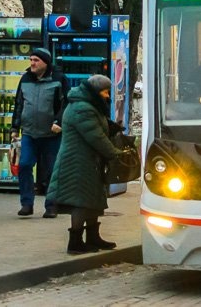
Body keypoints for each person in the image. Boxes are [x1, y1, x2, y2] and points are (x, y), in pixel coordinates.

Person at [47, 74, 132, 254]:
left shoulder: (87, 105)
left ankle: (93, 237)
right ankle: (75, 242)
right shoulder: (81, 108)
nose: (107, 95)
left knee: (93, 199)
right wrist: (115, 153)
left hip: (89, 161)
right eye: (105, 91)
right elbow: (96, 137)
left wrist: (111, 127)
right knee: (81, 202)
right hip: (77, 163)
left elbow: (97, 127)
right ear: (95, 91)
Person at [11, 47, 64, 218]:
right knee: (25, 165)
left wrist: (59, 122)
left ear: (45, 63)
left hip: (51, 135)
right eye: (31, 60)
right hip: (29, 133)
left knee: (51, 170)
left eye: (36, 60)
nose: (32, 63)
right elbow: (19, 103)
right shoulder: (25, 79)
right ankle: (27, 204)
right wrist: (14, 127)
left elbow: (66, 104)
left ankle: (51, 205)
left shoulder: (58, 79)